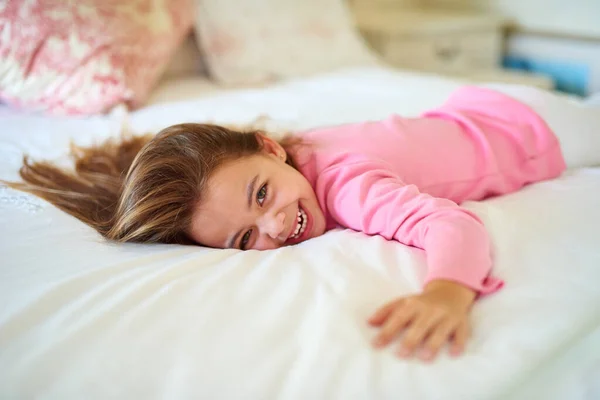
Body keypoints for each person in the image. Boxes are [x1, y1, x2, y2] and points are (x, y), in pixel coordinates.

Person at [5, 84, 600, 362]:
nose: (274, 226)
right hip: (476, 109)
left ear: (269, 146)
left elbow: (453, 228)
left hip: (536, 134)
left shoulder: (347, 186)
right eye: (244, 239)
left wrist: (448, 291)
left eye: (262, 193)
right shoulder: (292, 152)